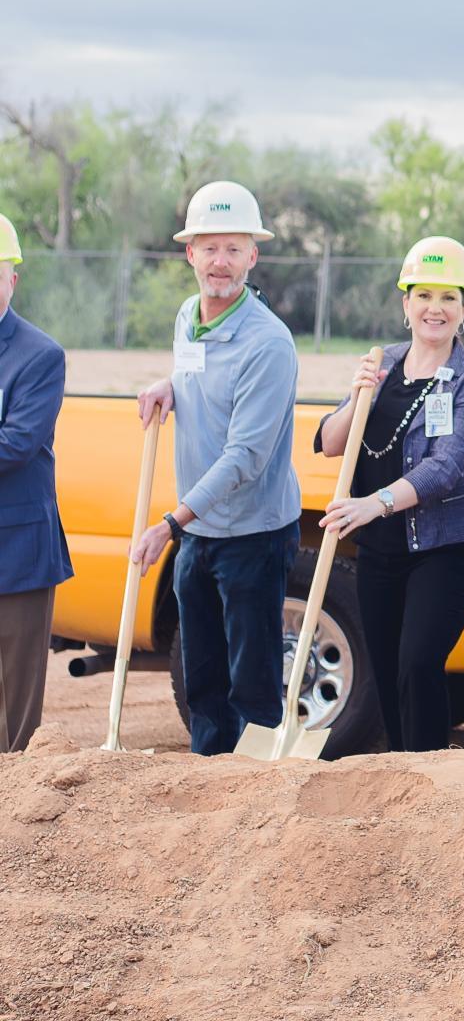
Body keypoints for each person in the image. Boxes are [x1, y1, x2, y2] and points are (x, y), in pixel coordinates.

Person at [131, 181, 302, 755]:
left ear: (253, 255)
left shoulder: (268, 345)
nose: (220, 262)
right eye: (209, 248)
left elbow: (244, 458)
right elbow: (193, 373)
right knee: (201, 679)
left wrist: (170, 524)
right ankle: (210, 797)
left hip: (251, 536)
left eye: (233, 249)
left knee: (251, 685)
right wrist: (169, 387)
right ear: (190, 253)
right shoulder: (188, 316)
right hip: (198, 531)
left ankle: (258, 808)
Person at [314, 237, 464, 752]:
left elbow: (446, 468)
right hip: (382, 551)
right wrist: (357, 397)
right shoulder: (381, 363)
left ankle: (432, 777)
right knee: (389, 670)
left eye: (448, 298)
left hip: (448, 549)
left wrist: (376, 503)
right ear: (405, 305)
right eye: (423, 296)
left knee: (418, 664)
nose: (434, 309)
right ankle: (401, 773)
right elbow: (330, 443)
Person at [0, 213, 73, 752]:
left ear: (12, 278)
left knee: (15, 711)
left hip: (16, 552)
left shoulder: (39, 355)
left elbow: (17, 444)